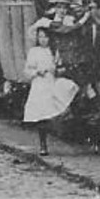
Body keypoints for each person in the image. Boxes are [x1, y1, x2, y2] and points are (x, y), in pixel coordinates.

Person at [22, 18, 78, 157]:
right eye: (40, 37)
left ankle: (58, 134)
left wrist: (58, 70)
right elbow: (27, 71)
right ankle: (43, 144)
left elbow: (59, 67)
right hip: (39, 85)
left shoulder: (53, 52)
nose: (43, 40)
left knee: (54, 109)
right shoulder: (34, 52)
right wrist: (36, 72)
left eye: (45, 37)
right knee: (41, 116)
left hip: (51, 83)